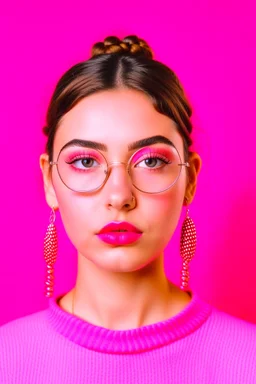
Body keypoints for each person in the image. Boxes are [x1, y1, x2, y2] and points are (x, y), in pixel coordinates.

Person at [1, 35, 256, 384]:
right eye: (86, 160)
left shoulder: (247, 361)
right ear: (49, 180)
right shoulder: (8, 360)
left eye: (150, 160)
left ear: (190, 178)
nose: (119, 195)